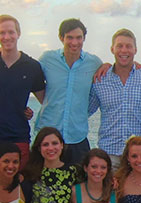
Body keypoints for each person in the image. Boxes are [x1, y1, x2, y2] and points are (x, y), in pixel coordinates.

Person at [0, 14, 44, 176]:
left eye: (11, 32)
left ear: (18, 34)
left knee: (17, 186)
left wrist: (32, 113)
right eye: (2, 33)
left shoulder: (32, 66)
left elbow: (45, 100)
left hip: (17, 136)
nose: (7, 37)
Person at [36, 18, 104, 164]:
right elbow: (30, 80)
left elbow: (109, 77)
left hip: (76, 137)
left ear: (84, 38)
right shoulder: (47, 59)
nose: (74, 42)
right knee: (43, 184)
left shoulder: (94, 63)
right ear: (61, 38)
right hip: (48, 136)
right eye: (70, 37)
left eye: (79, 37)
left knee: (78, 185)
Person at [89, 29, 141, 169]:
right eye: (120, 46)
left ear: (135, 50)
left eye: (128, 46)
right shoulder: (100, 79)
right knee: (110, 191)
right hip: (109, 154)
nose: (124, 50)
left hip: (140, 156)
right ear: (112, 49)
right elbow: (85, 111)